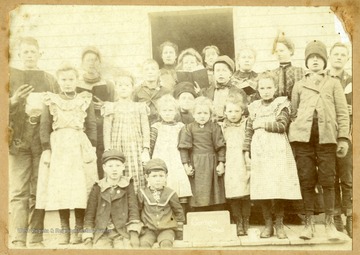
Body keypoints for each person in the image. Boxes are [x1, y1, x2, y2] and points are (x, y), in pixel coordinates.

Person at [289, 40, 350, 241]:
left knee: (328, 179)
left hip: (327, 138)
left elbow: (342, 113)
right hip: (303, 139)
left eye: (319, 58)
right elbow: (294, 111)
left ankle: (330, 225)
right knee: (306, 179)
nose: (315, 61)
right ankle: (308, 224)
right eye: (311, 58)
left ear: (325, 61)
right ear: (306, 61)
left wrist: (343, 138)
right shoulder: (299, 85)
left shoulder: (333, 83)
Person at [36, 63, 98, 245]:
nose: (68, 83)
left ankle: (79, 228)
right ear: (59, 81)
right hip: (59, 147)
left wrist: (93, 147)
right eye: (64, 80)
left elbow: (92, 125)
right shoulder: (51, 100)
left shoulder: (85, 99)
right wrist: (46, 149)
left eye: (71, 79)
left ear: (76, 80)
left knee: (79, 187)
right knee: (62, 187)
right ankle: (64, 228)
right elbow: (44, 126)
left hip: (79, 145)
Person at [9, 36, 59, 247]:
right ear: (19, 55)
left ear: (40, 54)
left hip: (41, 139)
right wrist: (13, 101)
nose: (29, 55)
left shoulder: (49, 79)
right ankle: (19, 238)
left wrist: (51, 103)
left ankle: (36, 237)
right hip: (20, 140)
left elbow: (59, 108)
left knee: (39, 188)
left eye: (33, 51)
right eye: (25, 52)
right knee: (19, 189)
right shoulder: (9, 77)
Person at [243, 71, 302, 239]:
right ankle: (267, 223)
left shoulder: (281, 104)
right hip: (260, 151)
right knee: (263, 188)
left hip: (277, 151)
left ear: (275, 88)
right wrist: (246, 152)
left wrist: (262, 123)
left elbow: (282, 125)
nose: (266, 91)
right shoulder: (254, 107)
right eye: (262, 88)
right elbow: (248, 131)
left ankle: (279, 224)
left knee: (278, 187)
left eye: (269, 87)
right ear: (258, 89)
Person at [102, 69, 150, 194]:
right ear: (116, 88)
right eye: (120, 85)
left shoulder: (140, 107)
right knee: (116, 172)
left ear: (132, 88)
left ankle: (136, 204)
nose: (123, 88)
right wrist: (108, 150)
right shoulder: (110, 106)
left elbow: (145, 127)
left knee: (136, 174)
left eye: (127, 85)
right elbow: (107, 130)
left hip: (135, 146)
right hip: (117, 146)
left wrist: (145, 148)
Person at [82, 149, 142, 249]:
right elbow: (90, 213)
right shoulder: (97, 187)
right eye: (110, 166)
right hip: (102, 232)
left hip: (121, 232)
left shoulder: (127, 185)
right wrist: (88, 236)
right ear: (104, 168)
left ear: (123, 167)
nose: (114, 169)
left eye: (118, 166)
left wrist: (134, 233)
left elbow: (133, 209)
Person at [178, 96, 226, 211]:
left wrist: (221, 163)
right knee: (198, 191)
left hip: (212, 163)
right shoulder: (188, 128)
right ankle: (198, 215)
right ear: (193, 114)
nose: (202, 116)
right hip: (196, 164)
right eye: (199, 113)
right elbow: (184, 148)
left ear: (210, 114)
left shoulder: (215, 127)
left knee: (214, 191)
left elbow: (220, 146)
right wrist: (186, 165)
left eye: (205, 113)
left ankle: (214, 215)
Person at [149, 94, 192, 219]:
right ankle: (164, 217)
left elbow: (185, 145)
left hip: (176, 160)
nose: (167, 113)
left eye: (170, 110)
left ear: (175, 111)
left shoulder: (181, 126)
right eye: (164, 110)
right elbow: (151, 146)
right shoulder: (156, 127)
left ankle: (181, 218)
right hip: (161, 160)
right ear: (159, 112)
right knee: (161, 184)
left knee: (180, 185)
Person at [77, 46, 115, 179]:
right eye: (88, 60)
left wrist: (106, 105)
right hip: (84, 128)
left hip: (102, 128)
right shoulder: (75, 83)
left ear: (99, 63)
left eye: (94, 60)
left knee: (102, 159)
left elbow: (115, 105)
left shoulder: (108, 84)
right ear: (82, 63)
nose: (91, 63)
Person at [327, 42, 353, 237]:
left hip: (348, 134)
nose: (338, 57)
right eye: (335, 54)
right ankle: (336, 215)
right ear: (330, 56)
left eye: (342, 55)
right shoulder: (323, 79)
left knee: (348, 177)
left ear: (347, 58)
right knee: (331, 177)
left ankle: (350, 216)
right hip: (328, 135)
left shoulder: (352, 80)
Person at [220, 94, 250, 236]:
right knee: (233, 194)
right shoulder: (222, 127)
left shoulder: (246, 124)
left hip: (244, 162)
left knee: (246, 193)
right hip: (230, 163)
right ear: (225, 112)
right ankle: (238, 222)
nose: (233, 114)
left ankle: (246, 221)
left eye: (236, 111)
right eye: (230, 111)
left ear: (242, 112)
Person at [138, 158, 185, 248]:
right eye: (154, 176)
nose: (158, 179)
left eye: (161, 176)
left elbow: (179, 212)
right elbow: (138, 211)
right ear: (147, 177)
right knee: (144, 244)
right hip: (148, 230)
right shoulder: (142, 193)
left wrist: (179, 230)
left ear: (166, 176)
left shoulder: (171, 193)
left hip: (166, 229)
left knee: (166, 243)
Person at [202, 55, 245, 122]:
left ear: (230, 73)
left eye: (224, 70)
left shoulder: (239, 92)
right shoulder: (207, 92)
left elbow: (243, 112)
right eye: (218, 71)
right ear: (214, 73)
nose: (220, 74)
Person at [133, 59, 170, 125]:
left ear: (159, 73)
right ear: (142, 73)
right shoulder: (136, 91)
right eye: (146, 69)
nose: (150, 72)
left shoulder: (166, 92)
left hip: (161, 124)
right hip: (142, 124)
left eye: (153, 69)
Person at [271, 33, 305, 99]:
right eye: (276, 51)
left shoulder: (298, 71)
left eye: (281, 51)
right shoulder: (273, 73)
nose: (278, 54)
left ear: (290, 51)